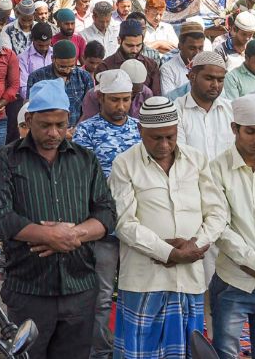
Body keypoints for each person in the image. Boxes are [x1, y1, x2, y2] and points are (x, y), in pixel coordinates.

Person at [0, 78, 116, 359]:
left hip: (79, 287)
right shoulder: (6, 160)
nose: (54, 133)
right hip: (29, 289)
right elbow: (0, 217)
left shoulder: (85, 160)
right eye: (45, 125)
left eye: (61, 125)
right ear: (29, 119)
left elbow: (106, 213)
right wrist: (46, 235)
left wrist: (73, 235)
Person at [108, 97, 227, 358]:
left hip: (189, 279)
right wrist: (168, 252)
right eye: (156, 138)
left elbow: (217, 212)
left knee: (187, 351)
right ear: (141, 131)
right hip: (144, 280)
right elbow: (124, 223)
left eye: (170, 137)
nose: (164, 145)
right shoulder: (124, 164)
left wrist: (194, 245)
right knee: (140, 352)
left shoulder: (196, 160)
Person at [71, 69, 142, 358]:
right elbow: (80, 178)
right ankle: (100, 352)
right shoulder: (86, 131)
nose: (121, 106)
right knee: (100, 297)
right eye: (115, 100)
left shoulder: (140, 128)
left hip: (136, 226)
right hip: (102, 228)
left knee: (134, 293)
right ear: (100, 97)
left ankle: (130, 349)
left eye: (126, 100)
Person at [209, 93, 255, 359]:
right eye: (251, 132)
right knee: (225, 354)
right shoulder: (216, 169)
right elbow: (219, 227)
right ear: (235, 129)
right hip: (234, 282)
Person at [174, 51, 234, 160]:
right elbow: (181, 156)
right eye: (209, 78)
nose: (215, 85)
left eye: (220, 80)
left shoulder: (232, 110)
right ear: (192, 77)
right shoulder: (177, 110)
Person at [27, 40, 94, 129]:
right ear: (52, 59)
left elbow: (90, 109)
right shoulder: (37, 77)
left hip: (78, 131)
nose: (67, 70)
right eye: (62, 67)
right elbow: (30, 108)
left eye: (71, 66)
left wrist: (77, 129)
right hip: (48, 132)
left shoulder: (84, 77)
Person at [97, 19, 162, 95]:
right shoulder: (106, 66)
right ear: (119, 40)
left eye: (138, 45)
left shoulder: (151, 65)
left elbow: (156, 97)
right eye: (129, 45)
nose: (134, 50)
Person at [160, 22, 206, 94]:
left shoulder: (208, 67)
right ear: (180, 46)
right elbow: (170, 100)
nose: (197, 53)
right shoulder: (168, 69)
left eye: (200, 48)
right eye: (192, 48)